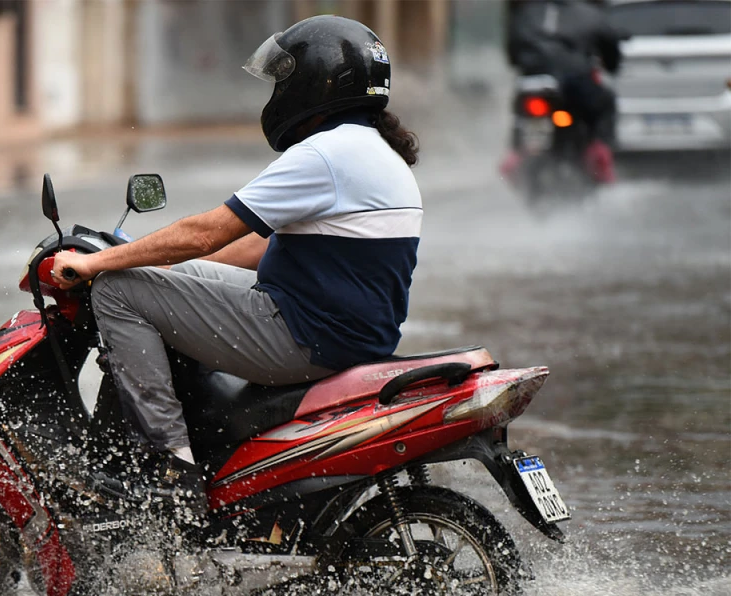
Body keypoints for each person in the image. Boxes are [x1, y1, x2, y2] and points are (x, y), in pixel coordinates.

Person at [51, 16, 422, 522]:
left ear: (317, 82)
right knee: (160, 279)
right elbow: (254, 249)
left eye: (284, 79)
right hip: (342, 332)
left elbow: (207, 232)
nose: (279, 92)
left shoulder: (326, 155)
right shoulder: (374, 152)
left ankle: (171, 463)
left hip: (305, 337)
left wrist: (97, 262)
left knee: (116, 291)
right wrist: (154, 263)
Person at [504, 0, 624, 182]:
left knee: (521, 116)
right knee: (606, 103)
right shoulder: (589, 14)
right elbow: (610, 50)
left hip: (533, 79)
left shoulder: (527, 13)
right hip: (574, 82)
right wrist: (610, 64)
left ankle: (516, 152)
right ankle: (600, 152)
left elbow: (512, 53)